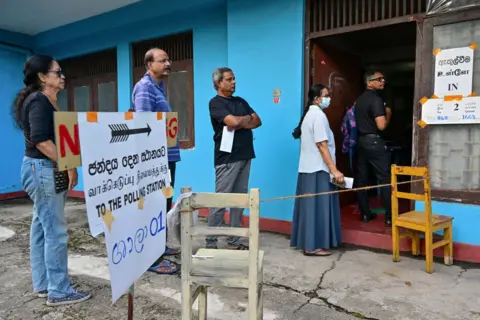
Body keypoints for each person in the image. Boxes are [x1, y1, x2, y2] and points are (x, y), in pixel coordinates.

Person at [12, 55, 91, 306]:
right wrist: (67, 166)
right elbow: (40, 140)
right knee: (55, 231)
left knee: (41, 228)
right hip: (43, 169)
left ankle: (45, 284)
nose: (63, 76)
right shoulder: (38, 101)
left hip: (42, 169)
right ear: (43, 77)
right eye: (58, 72)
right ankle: (59, 290)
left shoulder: (44, 100)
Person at [132, 48, 180, 274]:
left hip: (166, 156)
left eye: (168, 60)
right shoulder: (144, 88)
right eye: (162, 60)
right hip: (155, 160)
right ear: (149, 64)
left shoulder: (158, 88)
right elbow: (143, 125)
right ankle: (151, 258)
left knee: (164, 205)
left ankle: (159, 246)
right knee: (154, 207)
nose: (168, 63)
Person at [206, 67, 262, 249]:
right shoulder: (215, 103)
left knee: (239, 200)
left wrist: (239, 121)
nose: (233, 82)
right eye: (229, 79)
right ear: (218, 83)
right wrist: (244, 121)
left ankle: (234, 240)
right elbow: (233, 122)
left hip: (245, 155)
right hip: (227, 159)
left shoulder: (241, 101)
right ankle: (211, 242)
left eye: (234, 79)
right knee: (221, 200)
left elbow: (258, 121)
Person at [290, 84, 344, 256]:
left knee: (310, 208)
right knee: (317, 208)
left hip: (308, 168)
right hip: (318, 169)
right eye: (326, 95)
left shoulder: (309, 115)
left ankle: (308, 243)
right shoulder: (318, 116)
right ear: (316, 99)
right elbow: (322, 145)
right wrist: (334, 170)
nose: (329, 99)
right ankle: (313, 246)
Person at [354, 70, 393, 226]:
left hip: (362, 142)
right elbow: (381, 125)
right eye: (379, 79)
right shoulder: (376, 100)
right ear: (369, 82)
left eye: (383, 78)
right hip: (375, 142)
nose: (383, 81)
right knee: (384, 179)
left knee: (362, 179)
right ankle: (390, 217)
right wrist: (388, 113)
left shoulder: (359, 100)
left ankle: (365, 214)